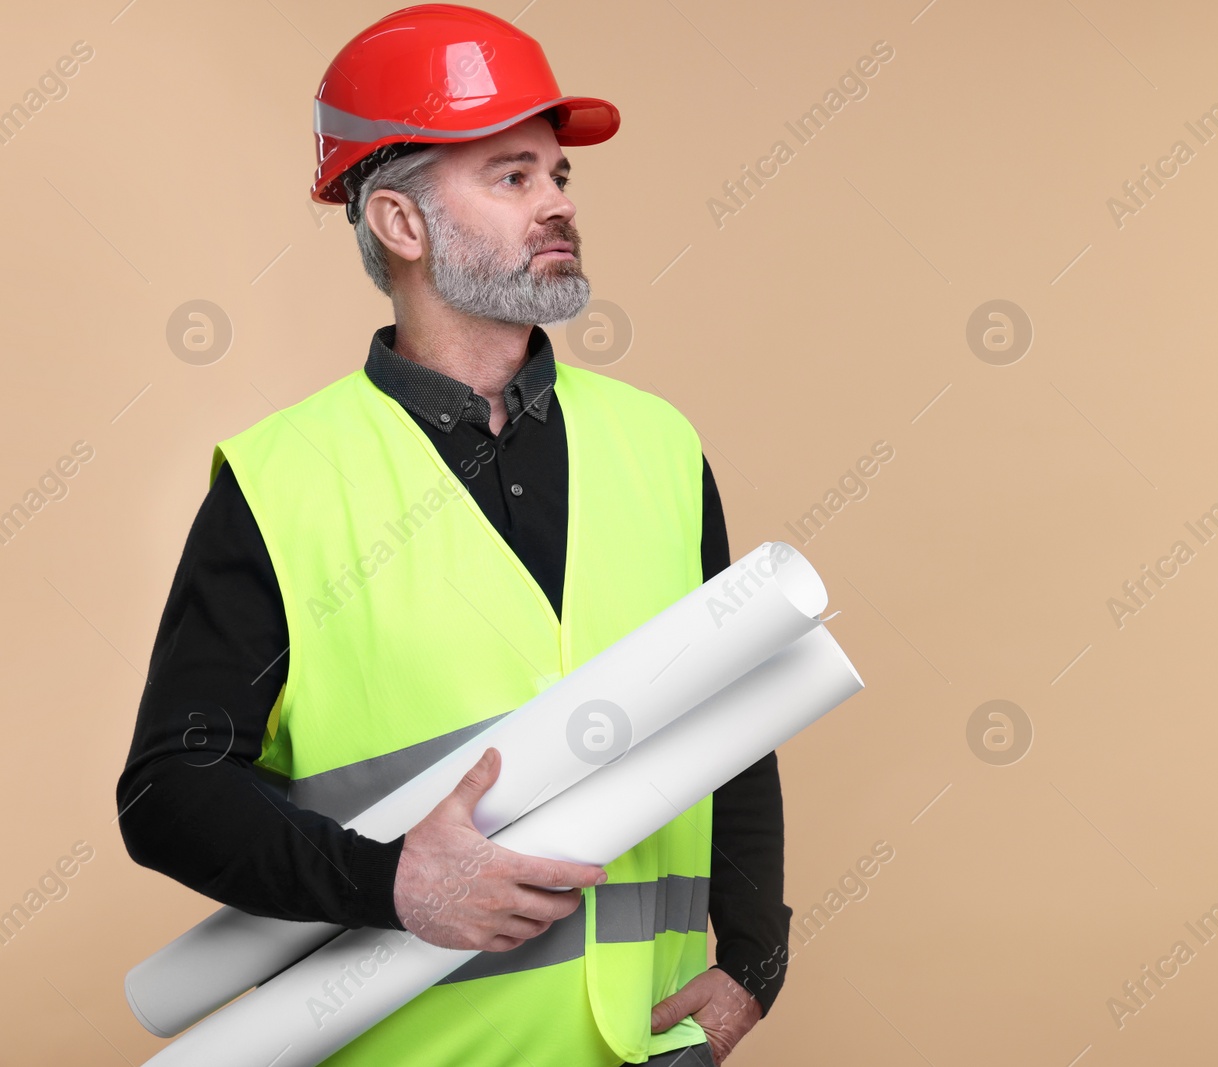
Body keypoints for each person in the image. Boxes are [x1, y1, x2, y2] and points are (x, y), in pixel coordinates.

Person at [116, 6, 790, 1065]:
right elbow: (171, 791)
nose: (558, 203)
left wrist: (754, 960)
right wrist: (391, 882)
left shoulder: (656, 444)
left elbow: (740, 711)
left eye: (558, 176)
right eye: (512, 177)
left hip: (643, 1049)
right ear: (400, 223)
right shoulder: (284, 481)